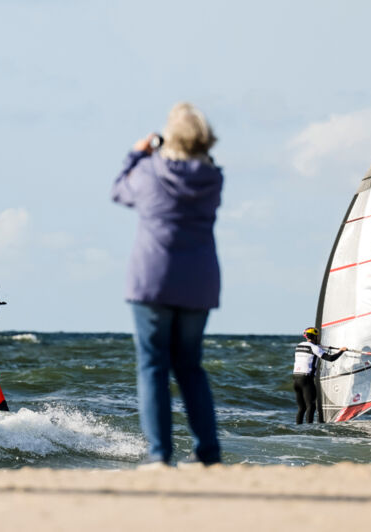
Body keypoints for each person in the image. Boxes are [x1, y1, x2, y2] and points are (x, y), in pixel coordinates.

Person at [112, 102, 224, 468]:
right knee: (191, 367)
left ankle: (160, 456)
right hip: (199, 282)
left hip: (153, 280)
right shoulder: (213, 179)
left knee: (153, 366)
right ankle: (208, 453)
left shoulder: (148, 172)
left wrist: (136, 153)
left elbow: (119, 191)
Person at [293, 327, 345, 424]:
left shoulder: (299, 346)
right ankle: (309, 429)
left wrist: (318, 347)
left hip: (296, 378)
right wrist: (341, 351)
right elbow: (330, 358)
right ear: (314, 337)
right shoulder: (315, 348)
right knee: (311, 406)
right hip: (306, 379)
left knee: (302, 407)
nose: (319, 338)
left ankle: (298, 428)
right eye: (317, 336)